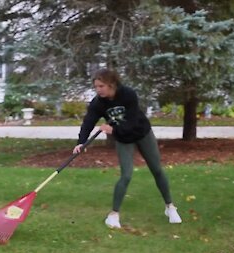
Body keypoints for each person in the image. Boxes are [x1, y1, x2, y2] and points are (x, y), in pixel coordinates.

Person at [73, 69, 182, 228]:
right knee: (126, 175)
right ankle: (113, 215)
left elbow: (131, 122)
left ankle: (170, 207)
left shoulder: (128, 94)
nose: (98, 90)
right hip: (124, 139)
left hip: (142, 133)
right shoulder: (98, 103)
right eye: (96, 86)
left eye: (101, 86)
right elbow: (88, 122)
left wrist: (113, 131)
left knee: (157, 169)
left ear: (112, 84)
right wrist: (81, 142)